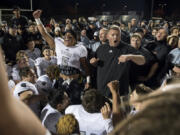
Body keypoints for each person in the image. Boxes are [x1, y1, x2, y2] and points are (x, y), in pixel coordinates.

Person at [33, 10, 90, 88]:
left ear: (75, 39)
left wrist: (88, 81)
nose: (66, 38)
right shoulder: (58, 43)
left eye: (70, 37)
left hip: (75, 81)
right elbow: (44, 33)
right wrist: (37, 19)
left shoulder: (80, 48)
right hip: (60, 79)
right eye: (65, 36)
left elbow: (85, 67)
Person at [0, 50, 48, 135]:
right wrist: (41, 96)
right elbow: (24, 97)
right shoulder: (25, 83)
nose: (34, 76)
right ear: (24, 77)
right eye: (32, 75)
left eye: (34, 75)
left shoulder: (29, 83)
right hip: (28, 121)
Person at [90, 25, 145, 97]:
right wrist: (93, 63)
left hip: (120, 92)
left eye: (117, 35)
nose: (115, 37)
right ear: (107, 36)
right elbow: (96, 64)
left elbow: (142, 60)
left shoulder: (128, 48)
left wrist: (130, 57)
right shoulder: (101, 48)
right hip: (103, 91)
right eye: (113, 35)